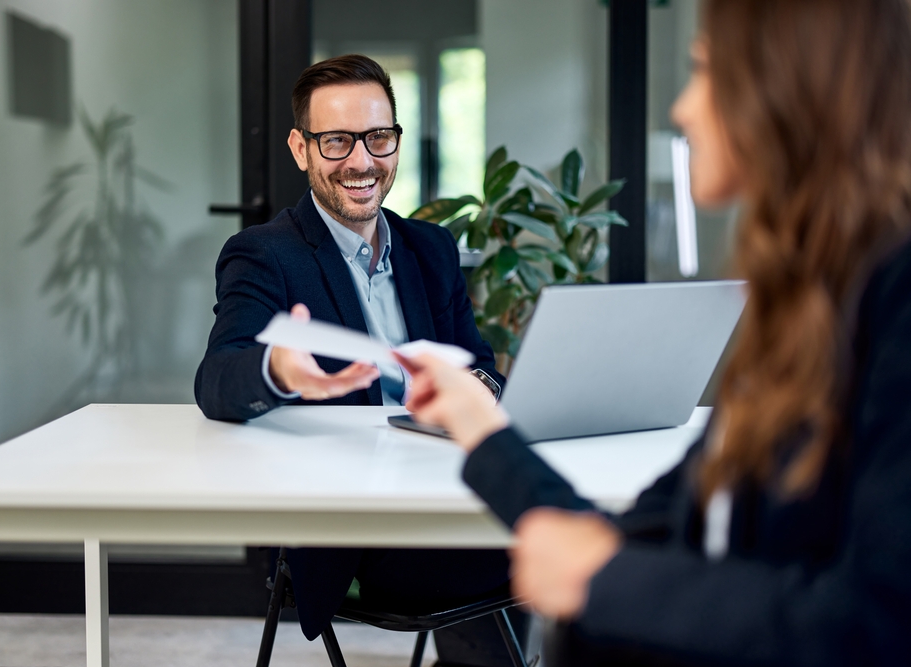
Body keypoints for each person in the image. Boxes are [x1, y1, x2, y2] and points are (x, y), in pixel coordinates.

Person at [397, 0, 911, 664]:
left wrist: (606, 582)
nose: (682, 110)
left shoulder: (894, 295)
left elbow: (881, 623)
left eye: (704, 72)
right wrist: (479, 426)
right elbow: (616, 542)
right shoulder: (801, 313)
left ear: (785, 85)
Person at [195, 54, 519, 665]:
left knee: (547, 527)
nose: (363, 161)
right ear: (301, 148)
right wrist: (279, 372)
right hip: (354, 528)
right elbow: (216, 381)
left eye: (378, 137)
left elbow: (479, 363)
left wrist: (473, 388)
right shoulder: (263, 255)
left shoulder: (431, 247)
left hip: (449, 489)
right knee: (547, 537)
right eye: (337, 141)